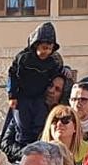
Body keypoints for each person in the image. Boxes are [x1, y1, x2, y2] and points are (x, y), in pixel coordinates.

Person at [6, 21, 67, 150]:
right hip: (22, 97)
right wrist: (12, 95)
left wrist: (65, 71)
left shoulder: (52, 62)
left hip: (39, 97)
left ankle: (37, 147)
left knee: (40, 123)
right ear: (36, 45)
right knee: (23, 126)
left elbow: (57, 73)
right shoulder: (24, 58)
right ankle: (24, 150)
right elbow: (12, 75)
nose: (47, 52)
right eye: (44, 48)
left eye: (50, 49)